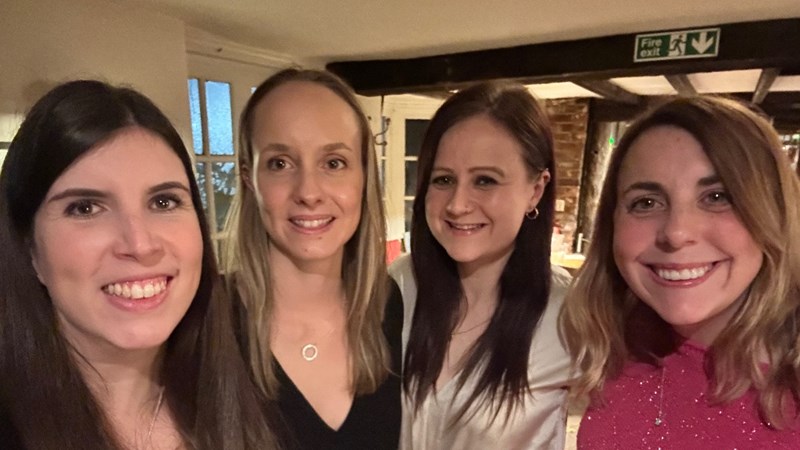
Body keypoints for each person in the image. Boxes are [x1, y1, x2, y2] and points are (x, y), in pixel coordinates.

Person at [0, 80, 277, 449]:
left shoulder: (243, 400)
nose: (140, 244)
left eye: (163, 202)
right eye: (85, 208)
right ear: (28, 248)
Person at [561, 96, 800, 447]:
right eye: (646, 203)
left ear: (775, 213)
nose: (676, 232)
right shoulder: (609, 345)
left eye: (717, 197)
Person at [389, 80, 573, 449]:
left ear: (535, 190)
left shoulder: (570, 314)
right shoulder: (398, 286)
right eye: (443, 179)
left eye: (485, 181)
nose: (457, 204)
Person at [227, 68, 402, 449]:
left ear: (364, 175)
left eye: (334, 163)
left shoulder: (388, 304)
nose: (308, 192)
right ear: (249, 179)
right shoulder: (206, 320)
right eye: (280, 163)